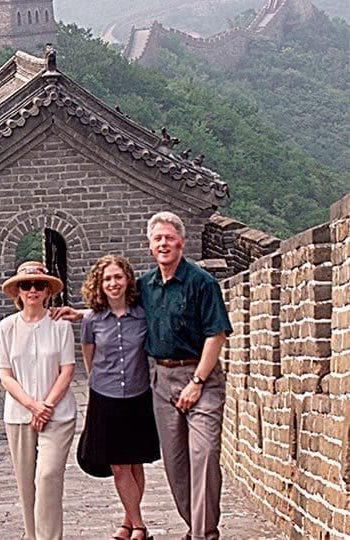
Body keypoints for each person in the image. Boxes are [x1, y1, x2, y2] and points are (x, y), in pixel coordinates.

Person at [55, 211, 232, 540]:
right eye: (157, 239)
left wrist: (197, 383)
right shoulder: (146, 286)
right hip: (161, 382)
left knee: (204, 453)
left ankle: (204, 534)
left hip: (200, 377)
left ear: (182, 241)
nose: (164, 243)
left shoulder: (201, 282)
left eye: (169, 237)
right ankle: (194, 526)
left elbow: (217, 335)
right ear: (150, 247)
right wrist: (82, 315)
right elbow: (114, 305)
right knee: (176, 464)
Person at [78, 255, 159, 540]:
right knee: (118, 464)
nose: (113, 283)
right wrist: (104, 381)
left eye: (118, 277)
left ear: (127, 280)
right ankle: (139, 526)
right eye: (107, 279)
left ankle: (127, 522)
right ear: (99, 285)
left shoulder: (143, 315)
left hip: (138, 395)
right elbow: (90, 359)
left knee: (134, 461)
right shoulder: (91, 320)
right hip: (105, 397)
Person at [0, 261, 77, 540]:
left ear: (47, 291)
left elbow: (67, 369)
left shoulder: (60, 325)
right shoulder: (5, 328)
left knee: (48, 476)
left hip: (58, 413)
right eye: (26, 285)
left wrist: (46, 407)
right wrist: (32, 405)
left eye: (39, 285)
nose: (33, 290)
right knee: (26, 485)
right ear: (17, 291)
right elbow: (5, 374)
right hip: (19, 414)